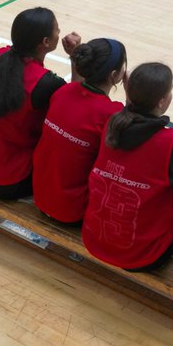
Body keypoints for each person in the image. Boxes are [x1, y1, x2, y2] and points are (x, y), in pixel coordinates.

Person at [82, 62, 173, 271]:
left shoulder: (112, 124)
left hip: (94, 238)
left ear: (129, 95)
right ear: (163, 101)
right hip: (143, 255)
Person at [0, 7, 81, 200]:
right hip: (9, 183)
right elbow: (75, 107)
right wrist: (75, 56)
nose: (59, 33)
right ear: (46, 42)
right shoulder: (45, 84)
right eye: (57, 30)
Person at [32, 38, 127, 227]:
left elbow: (79, 100)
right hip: (72, 211)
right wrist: (132, 98)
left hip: (40, 196)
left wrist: (73, 59)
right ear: (115, 75)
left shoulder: (63, 91)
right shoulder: (111, 113)